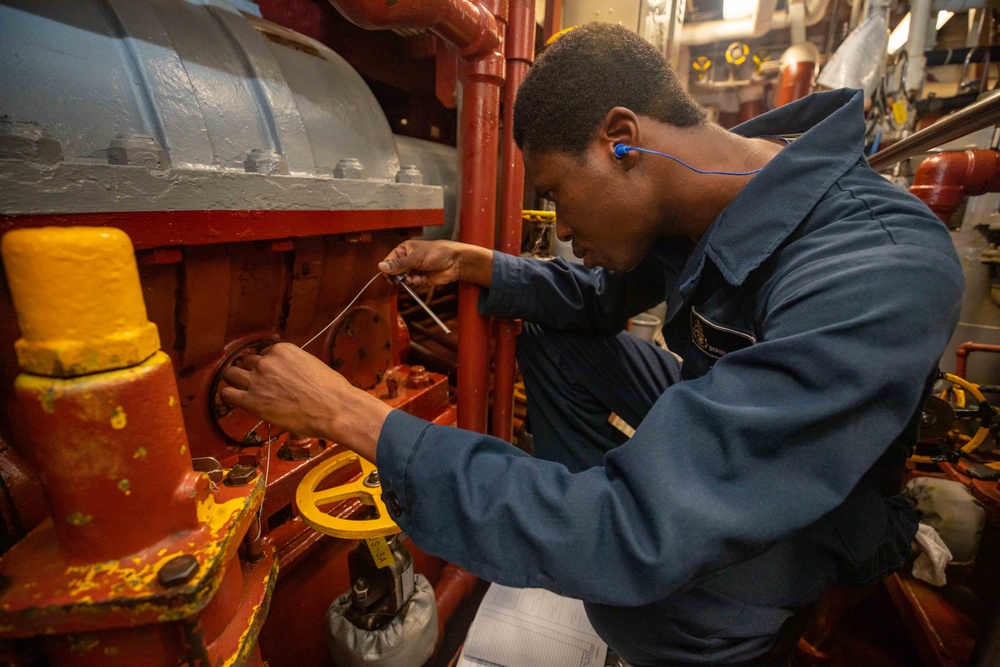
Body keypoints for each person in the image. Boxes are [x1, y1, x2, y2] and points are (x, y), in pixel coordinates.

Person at [222, 23, 964, 666]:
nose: (563, 229)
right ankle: (588, 519)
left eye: (555, 195)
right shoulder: (717, 185)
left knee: (638, 599)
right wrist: (483, 265)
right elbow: (598, 300)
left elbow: (635, 528)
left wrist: (350, 416)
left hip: (820, 505)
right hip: (731, 432)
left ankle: (716, 621)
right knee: (555, 345)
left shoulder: (875, 265)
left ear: (622, 142)